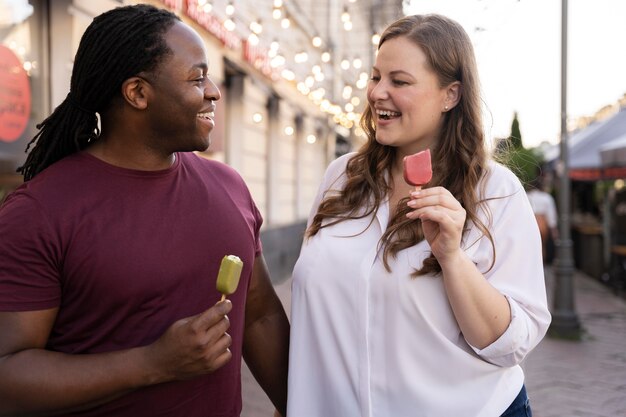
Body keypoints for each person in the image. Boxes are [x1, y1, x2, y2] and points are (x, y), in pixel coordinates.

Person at [0, 4, 289, 417]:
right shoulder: (39, 212)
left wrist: (302, 404)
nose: (214, 92)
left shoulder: (231, 188)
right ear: (137, 93)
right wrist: (152, 364)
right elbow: (7, 377)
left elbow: (259, 317)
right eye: (197, 78)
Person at [287, 14, 551, 417]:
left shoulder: (496, 191)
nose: (378, 93)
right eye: (376, 77)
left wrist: (451, 257)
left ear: (451, 95)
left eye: (400, 81)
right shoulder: (341, 177)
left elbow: (510, 344)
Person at [526, 175, 559, 263]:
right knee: (541, 246)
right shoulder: (546, 197)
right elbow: (551, 215)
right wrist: (554, 230)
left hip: (529, 222)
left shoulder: (526, 196)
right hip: (542, 223)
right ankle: (541, 265)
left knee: (530, 247)